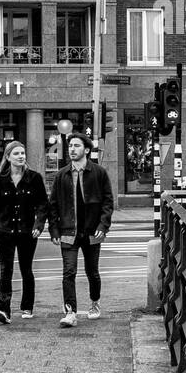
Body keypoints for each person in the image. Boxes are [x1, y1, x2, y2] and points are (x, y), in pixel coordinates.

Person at [47, 133, 113, 328]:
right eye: (70, 146)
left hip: (92, 231)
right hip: (68, 230)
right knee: (69, 272)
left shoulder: (99, 173)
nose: (72, 149)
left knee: (92, 271)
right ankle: (70, 312)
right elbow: (53, 205)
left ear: (86, 149)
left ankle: (94, 302)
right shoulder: (61, 175)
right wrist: (54, 230)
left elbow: (108, 202)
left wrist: (103, 225)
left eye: (76, 146)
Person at [0, 141, 47, 325]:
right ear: (8, 157)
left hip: (27, 231)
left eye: (23, 153)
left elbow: (43, 204)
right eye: (16, 154)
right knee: (6, 269)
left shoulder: (34, 178)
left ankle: (27, 305)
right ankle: (4, 308)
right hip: (4, 231)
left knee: (26, 269)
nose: (21, 156)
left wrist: (39, 223)